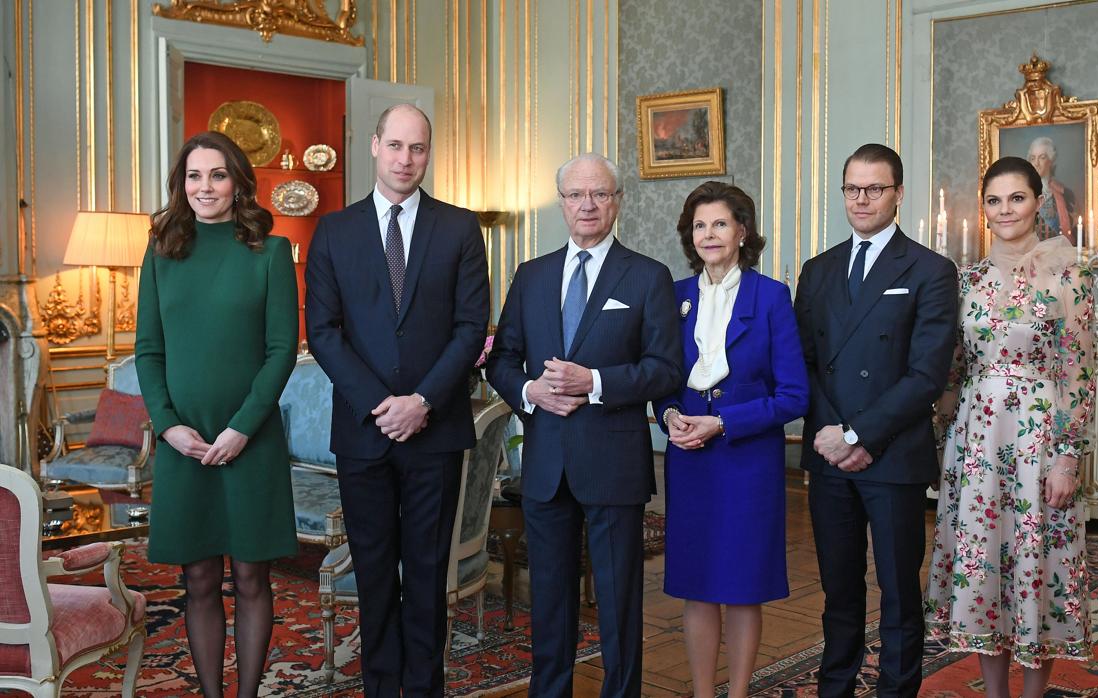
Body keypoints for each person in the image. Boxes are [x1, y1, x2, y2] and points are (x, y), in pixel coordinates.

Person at [303, 104, 489, 697]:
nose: (407, 159)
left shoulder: (459, 228)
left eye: (419, 149)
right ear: (376, 146)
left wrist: (423, 401)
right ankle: (381, 688)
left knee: (429, 574)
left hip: (435, 431)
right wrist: (382, 403)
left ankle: (424, 689)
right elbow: (323, 330)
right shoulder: (333, 230)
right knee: (375, 572)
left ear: (428, 155)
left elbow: (470, 327)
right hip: (364, 431)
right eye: (397, 146)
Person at [486, 153, 682, 698]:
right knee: (550, 598)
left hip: (613, 462)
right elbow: (502, 359)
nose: (588, 205)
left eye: (600, 194)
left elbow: (665, 369)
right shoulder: (531, 275)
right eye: (576, 195)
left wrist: (593, 381)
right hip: (547, 462)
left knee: (619, 600)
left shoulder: (647, 276)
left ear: (617, 201)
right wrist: (530, 390)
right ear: (562, 203)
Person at [925, 156, 1095, 698]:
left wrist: (1067, 455)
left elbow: (1080, 370)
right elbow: (953, 369)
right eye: (994, 201)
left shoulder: (1070, 273)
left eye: (1016, 198)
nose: (1005, 210)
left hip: (1038, 436)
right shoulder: (967, 278)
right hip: (976, 437)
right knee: (982, 565)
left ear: (1039, 200)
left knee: (1037, 561)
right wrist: (941, 442)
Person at [135, 130, 298, 698]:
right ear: (182, 185)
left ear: (238, 184)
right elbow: (148, 351)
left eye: (218, 175)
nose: (206, 187)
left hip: (249, 440)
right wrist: (167, 424)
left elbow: (282, 351)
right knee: (198, 577)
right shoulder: (160, 253)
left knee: (252, 575)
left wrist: (241, 428)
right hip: (185, 444)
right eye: (194, 176)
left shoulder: (271, 252)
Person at [793, 143, 958, 697]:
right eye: (853, 189)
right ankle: (834, 688)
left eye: (875, 189)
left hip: (893, 457)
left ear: (899, 193)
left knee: (897, 593)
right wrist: (834, 438)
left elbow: (926, 375)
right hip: (831, 457)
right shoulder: (816, 271)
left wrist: (859, 435)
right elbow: (806, 364)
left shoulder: (932, 270)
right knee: (839, 592)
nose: (862, 199)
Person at [652, 182, 808, 698]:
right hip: (690, 457)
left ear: (743, 230)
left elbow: (793, 396)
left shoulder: (771, 297)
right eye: (700, 225)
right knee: (697, 586)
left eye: (720, 223)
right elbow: (661, 379)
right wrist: (669, 413)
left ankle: (737, 693)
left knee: (741, 587)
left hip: (745, 459)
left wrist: (723, 423)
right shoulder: (672, 296)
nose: (709, 234)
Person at [1026, 136, 1078, 241]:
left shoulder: (1065, 194)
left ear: (1050, 161)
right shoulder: (1021, 195)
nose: (1036, 163)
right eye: (1033, 158)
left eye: (1042, 157)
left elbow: (1075, 230)